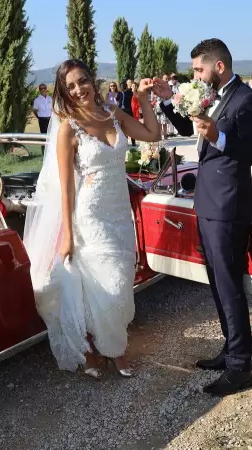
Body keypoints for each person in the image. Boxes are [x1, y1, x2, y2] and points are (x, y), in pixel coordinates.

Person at [23, 60, 161, 380]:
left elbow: (152, 132)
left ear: (92, 80)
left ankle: (108, 346)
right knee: (105, 286)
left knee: (121, 284)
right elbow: (66, 185)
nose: (78, 89)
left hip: (119, 214)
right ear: (64, 92)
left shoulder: (114, 113)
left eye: (82, 81)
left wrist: (141, 98)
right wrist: (67, 233)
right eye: (70, 86)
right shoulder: (69, 127)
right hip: (91, 215)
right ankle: (112, 351)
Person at [155, 38, 252, 397]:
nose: (196, 76)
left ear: (218, 66)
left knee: (229, 284)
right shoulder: (211, 96)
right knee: (216, 283)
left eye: (199, 69)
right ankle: (229, 348)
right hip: (206, 202)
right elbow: (189, 130)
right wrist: (168, 101)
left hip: (229, 205)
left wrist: (219, 135)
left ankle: (240, 367)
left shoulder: (247, 100)